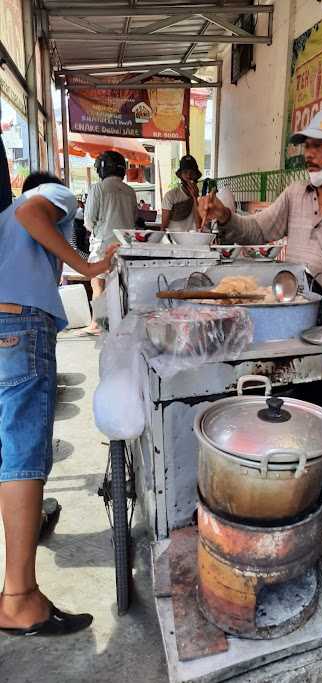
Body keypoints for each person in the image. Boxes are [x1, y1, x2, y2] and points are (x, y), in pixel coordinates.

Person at [0, 179, 117, 635]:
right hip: (20, 324)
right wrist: (90, 267)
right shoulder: (51, 195)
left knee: (11, 454)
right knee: (24, 459)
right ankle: (18, 598)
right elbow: (34, 213)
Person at [199, 111, 322, 325]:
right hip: (294, 313)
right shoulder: (295, 194)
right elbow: (257, 230)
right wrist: (224, 215)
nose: (308, 154)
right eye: (307, 146)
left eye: (318, 146)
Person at [84, 150, 137, 334]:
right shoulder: (130, 192)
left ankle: (97, 322)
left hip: (103, 244)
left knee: (97, 283)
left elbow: (89, 221)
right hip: (125, 246)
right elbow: (134, 218)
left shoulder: (97, 189)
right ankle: (116, 322)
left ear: (102, 169)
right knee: (118, 285)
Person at [161, 155, 202, 233]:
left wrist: (195, 197)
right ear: (181, 175)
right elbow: (164, 227)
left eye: (192, 172)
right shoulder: (171, 196)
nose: (189, 176)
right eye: (185, 172)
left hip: (192, 238)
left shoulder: (201, 198)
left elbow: (199, 225)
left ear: (196, 175)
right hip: (173, 239)